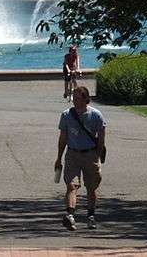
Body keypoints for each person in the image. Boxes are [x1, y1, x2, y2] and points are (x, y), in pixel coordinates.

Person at [54, 85, 106, 230]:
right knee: (71, 185)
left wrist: (98, 155)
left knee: (92, 188)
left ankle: (91, 216)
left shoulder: (96, 115)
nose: (74, 101)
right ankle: (70, 216)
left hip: (90, 155)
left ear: (85, 99)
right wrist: (59, 158)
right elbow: (63, 138)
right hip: (72, 154)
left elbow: (101, 137)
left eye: (77, 98)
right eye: (74, 98)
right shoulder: (66, 115)